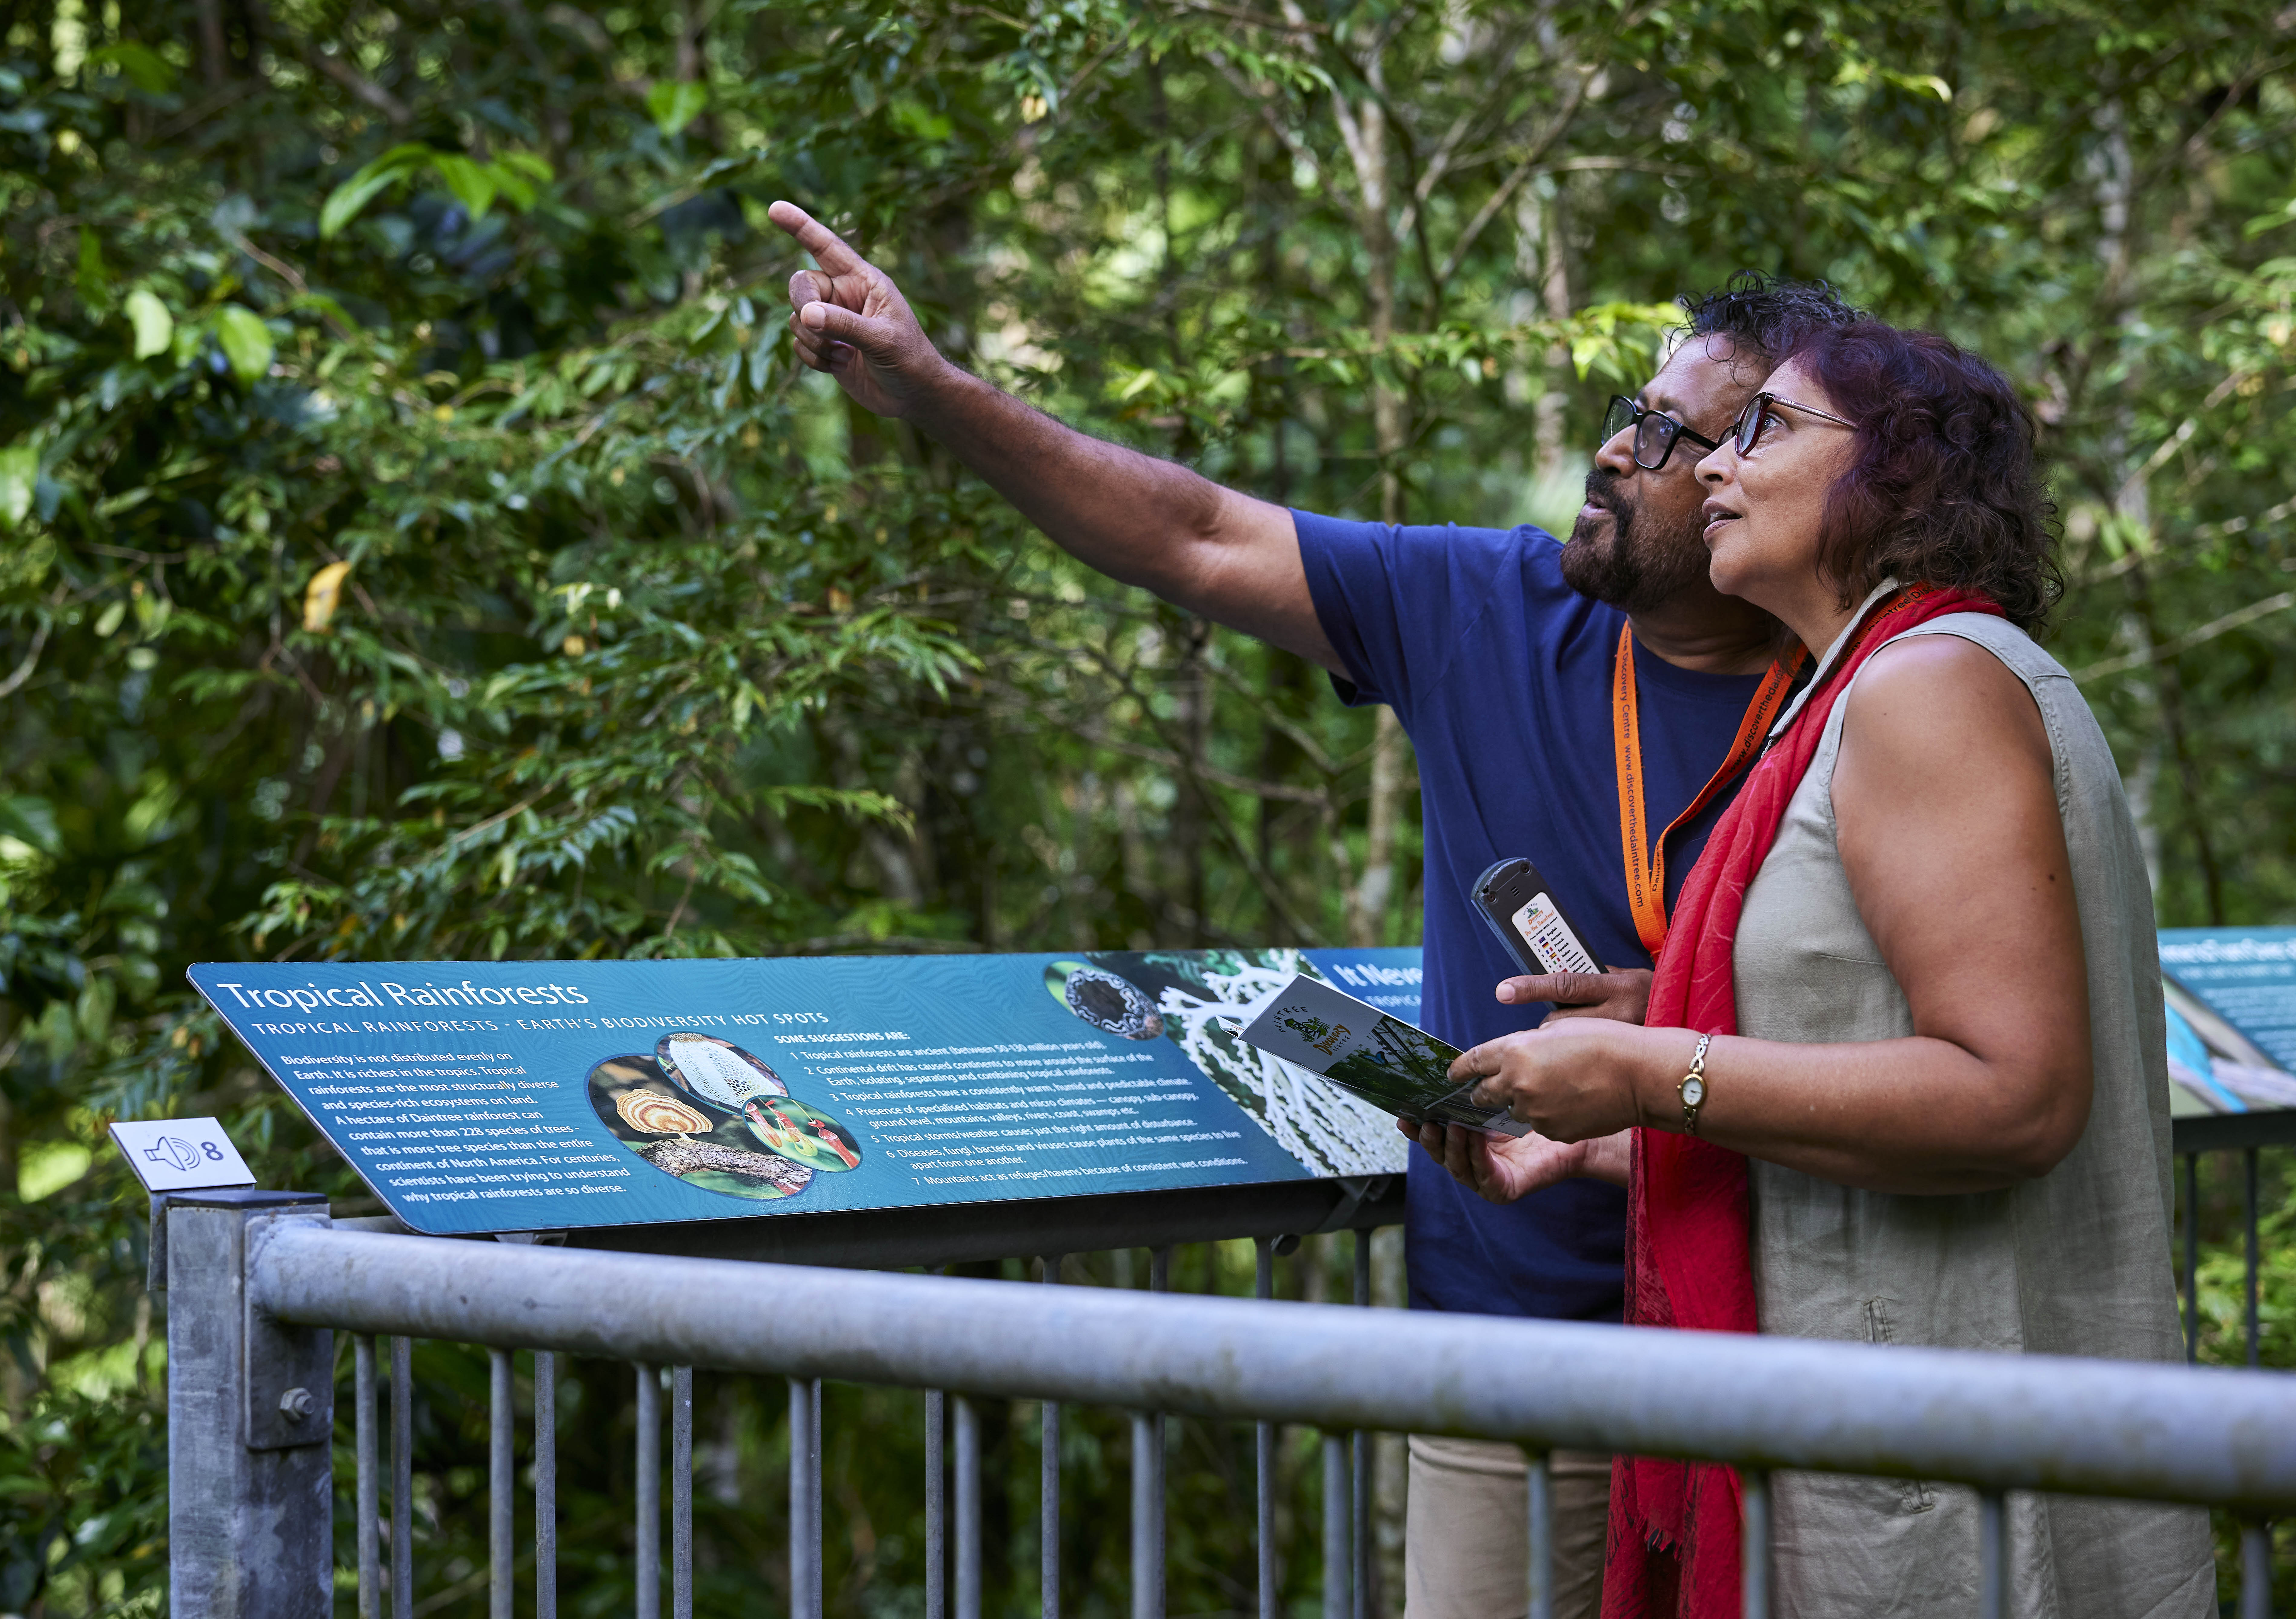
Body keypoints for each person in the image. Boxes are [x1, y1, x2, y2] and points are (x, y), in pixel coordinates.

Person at [766, 198, 1860, 1619]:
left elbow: (1939, 1035)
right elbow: (1192, 533)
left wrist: (1688, 1033)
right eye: (1624, 415)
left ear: (1751, 480)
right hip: (1516, 1359)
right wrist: (932, 386)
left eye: (1665, 436)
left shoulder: (1871, 690)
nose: (1613, 451)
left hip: (1784, 1347)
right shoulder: (1491, 610)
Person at [1431, 324, 2215, 1617]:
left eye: (1763, 429)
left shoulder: (1926, 685)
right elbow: (1871, 1047)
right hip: (1905, 1414)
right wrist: (1624, 1121)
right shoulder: (1877, 681)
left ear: (1897, 470)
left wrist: (1649, 1066)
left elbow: (2012, 1097)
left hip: (1935, 1446)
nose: (1710, 465)